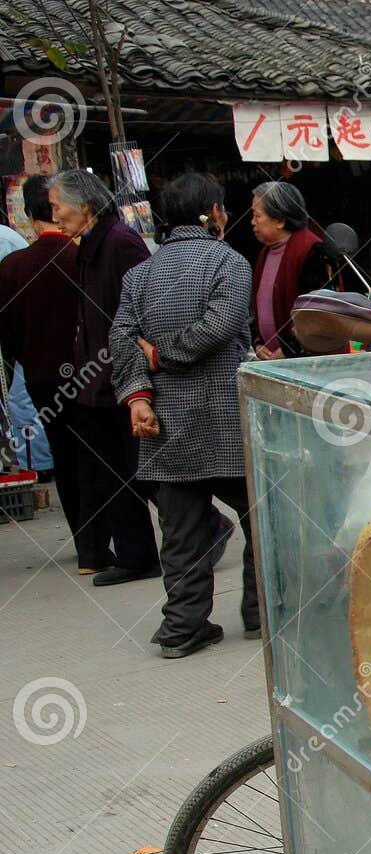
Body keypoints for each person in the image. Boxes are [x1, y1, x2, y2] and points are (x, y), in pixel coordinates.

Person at [109, 173, 257, 658]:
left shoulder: (139, 275)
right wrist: (162, 356)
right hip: (226, 417)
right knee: (263, 520)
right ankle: (262, 611)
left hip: (165, 421)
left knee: (181, 535)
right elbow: (219, 326)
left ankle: (182, 628)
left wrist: (139, 397)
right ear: (213, 212)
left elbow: (121, 339)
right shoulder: (229, 261)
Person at [50, 169, 160, 586]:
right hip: (95, 379)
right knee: (114, 474)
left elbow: (145, 308)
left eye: (59, 207)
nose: (55, 217)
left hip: (122, 375)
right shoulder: (90, 246)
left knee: (141, 470)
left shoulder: (120, 242)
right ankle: (136, 556)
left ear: (85, 206)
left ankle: (205, 527)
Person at [0, 176, 82, 556]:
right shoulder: (79, 255)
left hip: (38, 372)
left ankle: (88, 548)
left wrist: (20, 357)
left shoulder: (14, 260)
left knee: (65, 455)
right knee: (94, 453)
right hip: (83, 370)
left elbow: (8, 327)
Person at [0, 216, 54, 479]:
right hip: (24, 329)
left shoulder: (4, 240)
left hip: (28, 330)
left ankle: (38, 464)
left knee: (22, 400)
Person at [249, 180, 323, 359]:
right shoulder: (265, 253)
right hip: (273, 360)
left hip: (307, 362)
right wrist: (258, 342)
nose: (252, 222)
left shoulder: (313, 251)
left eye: (257, 216)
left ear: (280, 220)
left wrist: (290, 349)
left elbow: (320, 314)